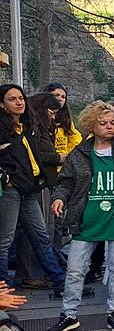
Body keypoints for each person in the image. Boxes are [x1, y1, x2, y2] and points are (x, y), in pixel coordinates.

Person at [45, 102, 114, 331]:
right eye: (103, 123)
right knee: (75, 269)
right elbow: (66, 181)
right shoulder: (80, 153)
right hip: (87, 220)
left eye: (112, 122)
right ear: (91, 126)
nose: (110, 127)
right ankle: (68, 314)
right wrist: (58, 198)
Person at [0, 84, 65, 296]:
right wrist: (5, 178)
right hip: (11, 190)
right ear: (2, 104)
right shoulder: (3, 130)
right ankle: (4, 290)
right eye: (12, 99)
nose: (19, 102)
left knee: (41, 236)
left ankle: (59, 282)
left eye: (21, 98)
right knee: (5, 240)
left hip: (30, 189)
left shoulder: (26, 127)